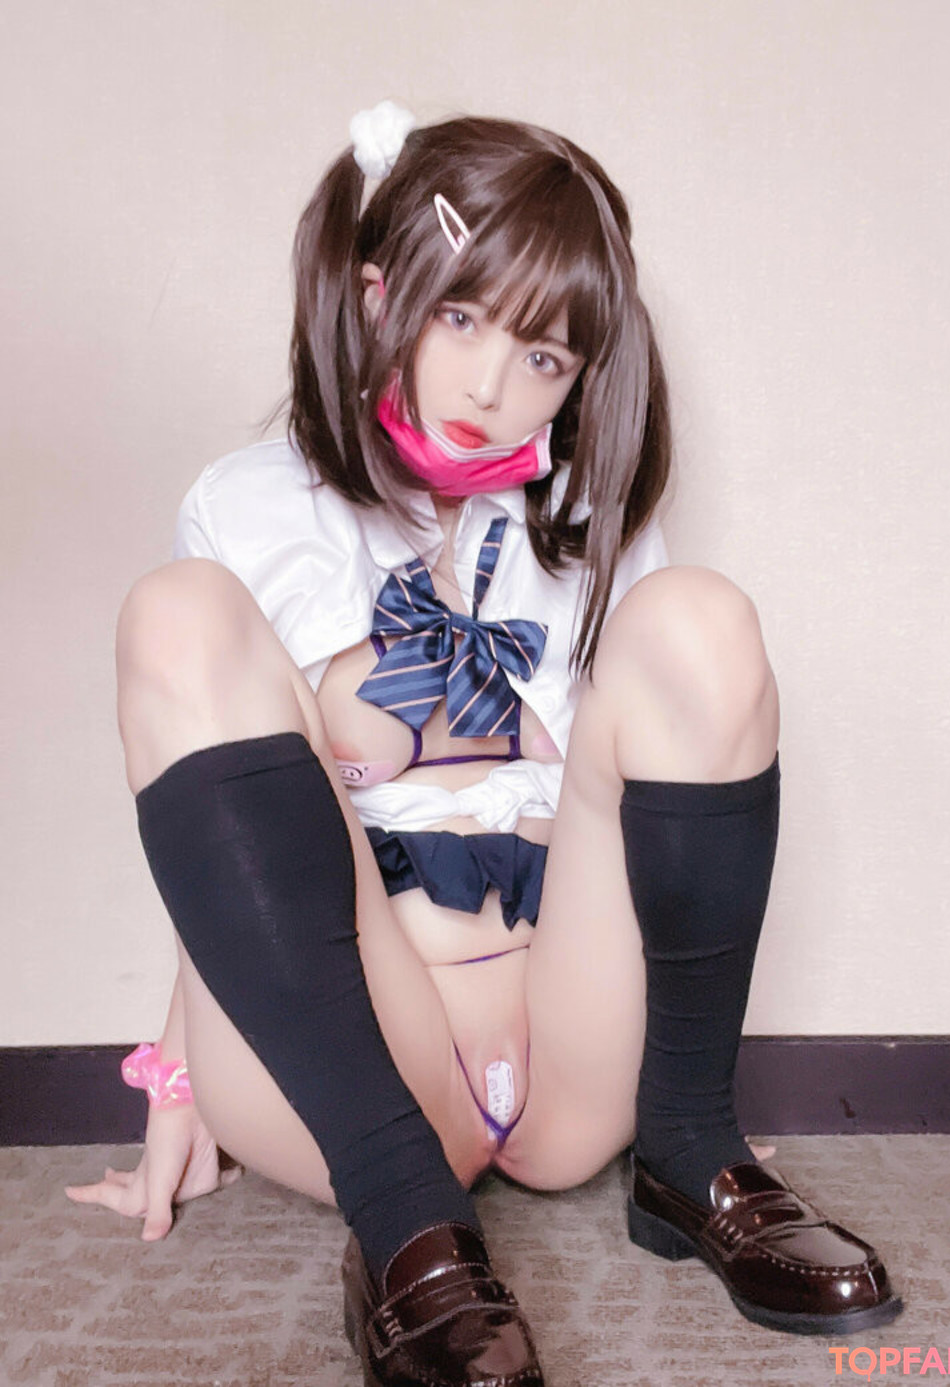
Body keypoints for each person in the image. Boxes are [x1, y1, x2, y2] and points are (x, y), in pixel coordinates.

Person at [67, 103, 902, 1385]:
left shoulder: (587, 517)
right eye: (460, 320)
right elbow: (238, 829)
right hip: (367, 1058)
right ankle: (405, 1219)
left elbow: (646, 786)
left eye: (543, 356)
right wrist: (178, 1069)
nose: (492, 388)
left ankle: (689, 1147)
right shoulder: (250, 506)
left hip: (570, 1051)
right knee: (174, 616)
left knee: (700, 619)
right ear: (378, 293)